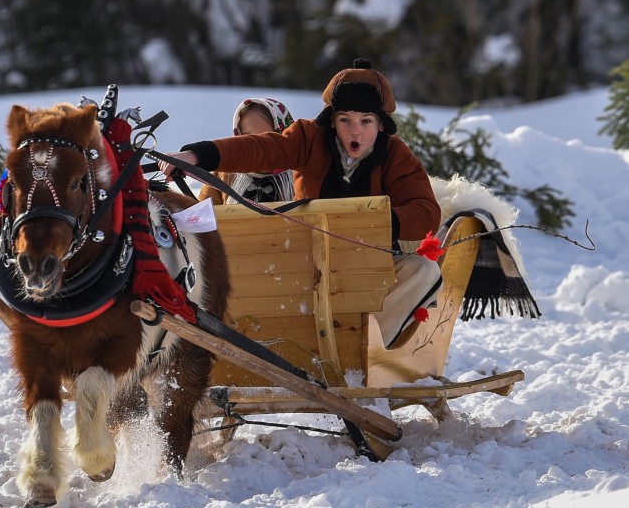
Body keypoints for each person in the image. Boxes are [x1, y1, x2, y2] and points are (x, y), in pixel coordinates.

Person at [161, 58, 442, 348]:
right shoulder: (310, 137)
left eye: (366, 122)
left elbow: (426, 211)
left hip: (369, 263)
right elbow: (265, 147)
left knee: (424, 271)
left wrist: (381, 223)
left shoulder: (396, 155)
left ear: (382, 125)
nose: (355, 132)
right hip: (308, 262)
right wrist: (199, 156)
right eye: (345, 120)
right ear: (332, 120)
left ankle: (364, 347)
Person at [199, 98, 295, 204]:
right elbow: (203, 216)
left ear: (282, 133)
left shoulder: (301, 176)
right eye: (248, 138)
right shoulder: (224, 176)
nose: (255, 145)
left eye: (265, 137)